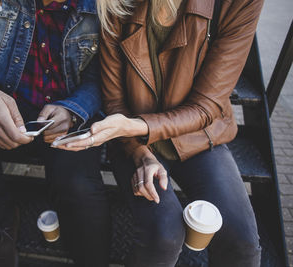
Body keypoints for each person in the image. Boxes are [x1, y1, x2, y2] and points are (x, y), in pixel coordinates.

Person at [60, 0, 264, 266]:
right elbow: (115, 101)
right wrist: (140, 152)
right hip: (132, 139)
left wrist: (137, 127)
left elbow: (206, 106)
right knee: (163, 233)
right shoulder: (115, 3)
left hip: (199, 135)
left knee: (243, 243)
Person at [0, 0, 110, 266]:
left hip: (69, 113)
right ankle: (0, 219)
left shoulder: (106, 5)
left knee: (82, 194)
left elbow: (104, 77)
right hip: (7, 103)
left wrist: (73, 110)